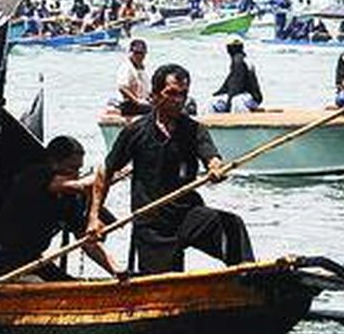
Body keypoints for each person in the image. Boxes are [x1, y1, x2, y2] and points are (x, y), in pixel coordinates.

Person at [87, 63, 254, 275]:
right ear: (155, 95)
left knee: (231, 226)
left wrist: (216, 169)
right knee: (161, 285)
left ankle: (249, 278)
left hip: (187, 214)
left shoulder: (194, 130)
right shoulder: (136, 132)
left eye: (183, 94)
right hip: (151, 224)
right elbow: (106, 171)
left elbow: (211, 157)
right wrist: (94, 217)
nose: (178, 100)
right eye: (171, 93)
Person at [0, 136, 121, 280]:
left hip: (33, 260)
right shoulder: (35, 175)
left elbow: (87, 242)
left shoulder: (68, 199)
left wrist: (116, 270)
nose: (76, 173)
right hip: (2, 261)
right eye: (72, 168)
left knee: (73, 288)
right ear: (53, 162)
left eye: (79, 168)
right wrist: (108, 174)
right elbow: (83, 186)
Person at [211, 36, 263, 113]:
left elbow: (237, 87)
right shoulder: (238, 61)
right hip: (241, 96)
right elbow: (229, 83)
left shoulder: (239, 62)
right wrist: (217, 94)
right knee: (213, 102)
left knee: (236, 102)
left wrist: (228, 102)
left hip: (251, 98)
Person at [115, 39, 151, 116]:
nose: (139, 56)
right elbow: (122, 88)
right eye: (136, 53)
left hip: (142, 101)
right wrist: (137, 101)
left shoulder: (142, 68)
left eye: (141, 53)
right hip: (129, 104)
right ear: (131, 53)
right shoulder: (126, 67)